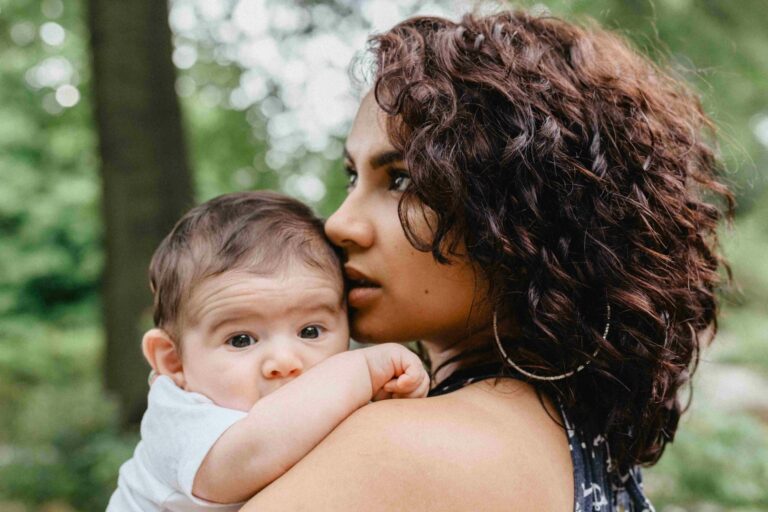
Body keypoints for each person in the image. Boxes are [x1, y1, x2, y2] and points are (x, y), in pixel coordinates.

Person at [241, 10, 733, 512]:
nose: (339, 225)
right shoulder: (583, 450)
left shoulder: (400, 451)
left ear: (524, 211)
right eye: (352, 177)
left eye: (404, 180)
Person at [107, 191, 430, 511]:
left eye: (310, 331)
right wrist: (364, 371)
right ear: (173, 360)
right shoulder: (179, 417)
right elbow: (249, 454)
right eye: (241, 340)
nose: (285, 362)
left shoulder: (307, 409)